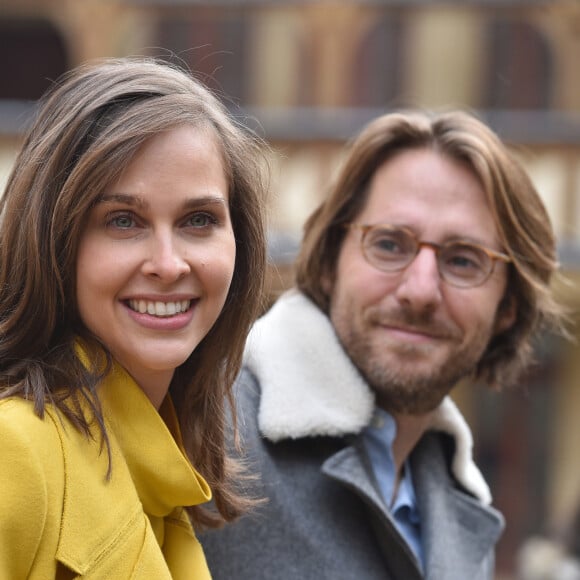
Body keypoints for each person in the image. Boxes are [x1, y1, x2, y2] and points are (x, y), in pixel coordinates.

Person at [200, 110, 566, 579]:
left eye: (464, 261)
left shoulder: (465, 517)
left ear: (508, 307)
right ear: (331, 259)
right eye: (390, 244)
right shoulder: (205, 428)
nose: (420, 290)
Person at [0, 56, 268, 579]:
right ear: (53, 241)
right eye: (123, 220)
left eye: (199, 220)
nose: (169, 265)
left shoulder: (166, 480)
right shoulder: (16, 452)